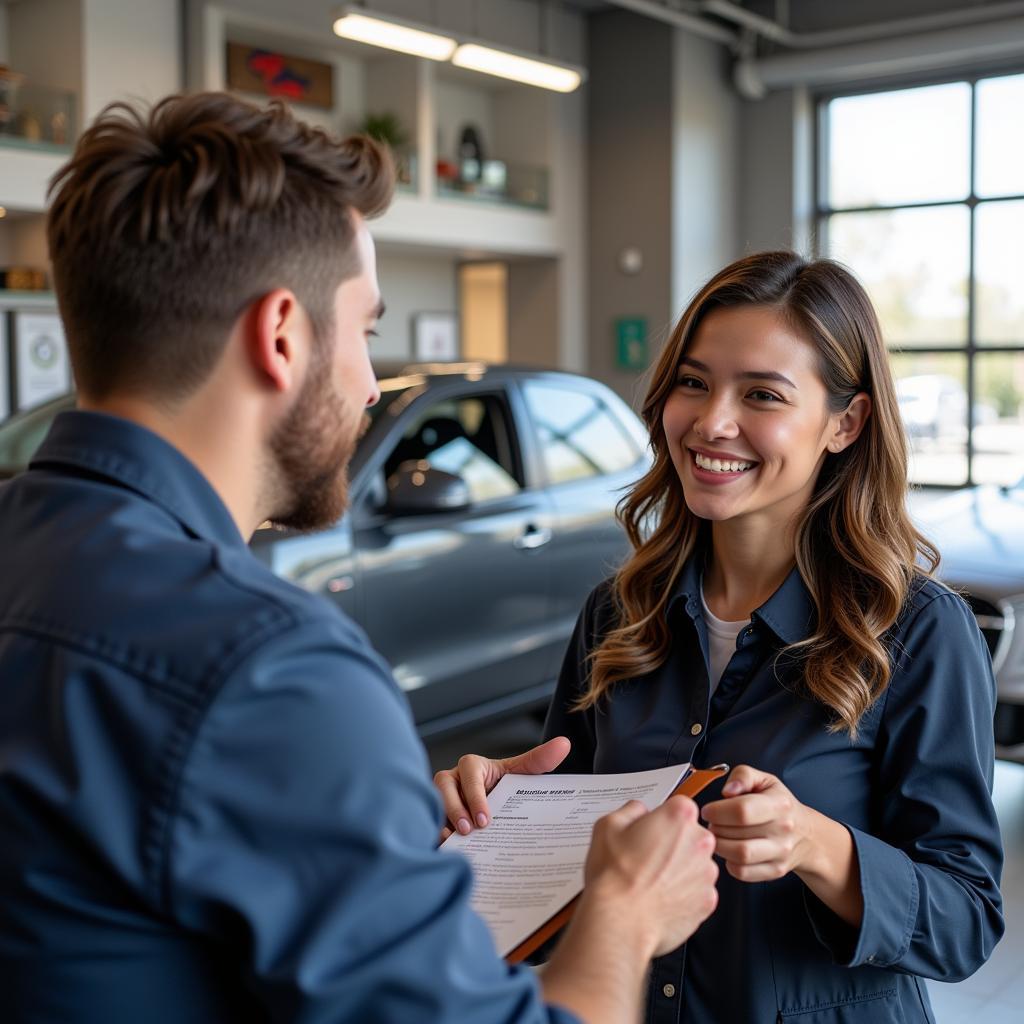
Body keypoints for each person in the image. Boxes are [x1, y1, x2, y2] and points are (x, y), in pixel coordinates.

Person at [0, 92, 721, 1024]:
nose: (372, 384)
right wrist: (625, 914)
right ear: (283, 336)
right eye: (368, 330)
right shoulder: (270, 671)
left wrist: (355, 818)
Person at [435, 251, 1005, 1022]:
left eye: (762, 394)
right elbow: (566, 890)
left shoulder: (917, 633)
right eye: (693, 382)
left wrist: (814, 845)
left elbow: (966, 921)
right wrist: (491, 823)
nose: (711, 422)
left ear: (846, 423)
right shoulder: (616, 613)